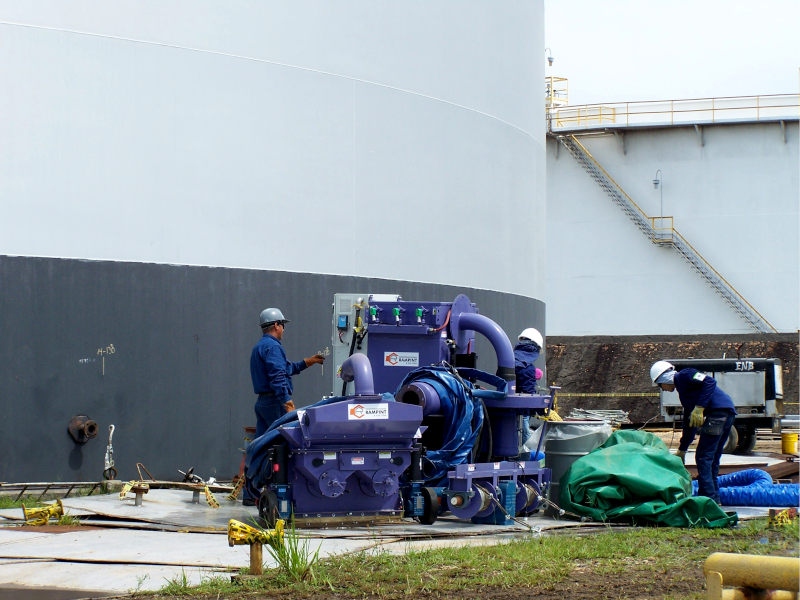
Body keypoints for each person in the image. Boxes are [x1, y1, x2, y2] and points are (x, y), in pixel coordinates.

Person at [243, 307, 325, 505]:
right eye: (283, 326)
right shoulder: (273, 347)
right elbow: (278, 376)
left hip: (264, 403)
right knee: (283, 446)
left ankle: (250, 493)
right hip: (275, 403)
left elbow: (287, 368)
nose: (284, 330)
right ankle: (282, 493)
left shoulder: (261, 347)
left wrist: (310, 361)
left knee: (260, 447)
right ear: (277, 325)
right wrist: (288, 404)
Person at [650, 360, 736, 504]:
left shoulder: (684, 375)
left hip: (717, 414)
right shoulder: (685, 394)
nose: (662, 389)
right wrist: (682, 449)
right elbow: (690, 423)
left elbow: (709, 382)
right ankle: (715, 499)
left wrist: (700, 407)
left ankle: (707, 500)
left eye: (660, 385)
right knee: (712, 458)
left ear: (663, 378)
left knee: (703, 457)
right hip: (727, 414)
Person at [515, 327, 544, 459]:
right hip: (519, 412)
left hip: (510, 412)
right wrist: (541, 408)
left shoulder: (510, 358)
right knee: (524, 435)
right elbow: (528, 392)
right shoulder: (527, 367)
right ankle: (526, 459)